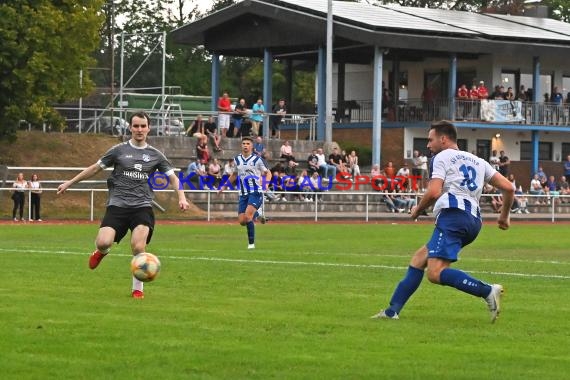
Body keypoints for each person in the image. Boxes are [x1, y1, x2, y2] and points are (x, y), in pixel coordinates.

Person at [371, 121, 514, 323]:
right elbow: (509, 188)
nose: (428, 145)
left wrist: (417, 210)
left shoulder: (441, 157)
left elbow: (434, 191)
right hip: (472, 221)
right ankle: (392, 311)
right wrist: (504, 216)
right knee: (419, 258)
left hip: (453, 217)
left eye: (430, 140)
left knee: (435, 273)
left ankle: (487, 290)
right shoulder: (478, 161)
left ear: (443, 139)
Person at [57, 111, 190, 299]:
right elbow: (95, 168)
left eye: (143, 126)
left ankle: (137, 289)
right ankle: (102, 252)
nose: (139, 129)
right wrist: (69, 183)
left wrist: (182, 197)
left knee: (137, 247)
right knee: (103, 241)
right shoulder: (118, 150)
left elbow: (173, 178)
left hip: (142, 206)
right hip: (117, 205)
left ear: (149, 128)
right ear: (130, 128)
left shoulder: (155, 155)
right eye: (136, 126)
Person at [220, 136, 271, 249]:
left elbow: (268, 173)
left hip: (255, 191)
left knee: (248, 217)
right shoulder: (237, 159)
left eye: (248, 143)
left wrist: (266, 184)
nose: (245, 145)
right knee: (242, 221)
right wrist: (224, 186)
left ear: (252, 146)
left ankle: (251, 244)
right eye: (244, 143)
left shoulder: (257, 159)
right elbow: (234, 175)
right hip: (243, 193)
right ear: (241, 145)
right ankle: (258, 213)